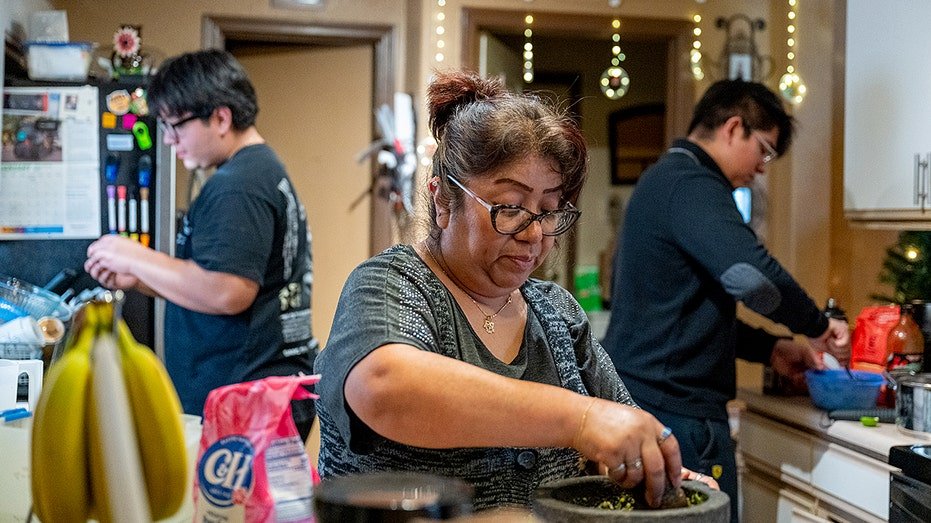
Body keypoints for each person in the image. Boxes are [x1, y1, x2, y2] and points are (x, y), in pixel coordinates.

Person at [313, 70, 716, 511]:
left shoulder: (556, 312)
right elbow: (385, 388)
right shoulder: (391, 284)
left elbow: (617, 436)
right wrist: (579, 419)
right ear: (444, 200)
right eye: (510, 207)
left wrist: (647, 469)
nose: (533, 233)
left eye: (548, 210)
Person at [602, 79, 851, 522]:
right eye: (765, 151)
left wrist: (770, 348)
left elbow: (683, 312)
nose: (762, 169)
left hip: (648, 400)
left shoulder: (663, 179)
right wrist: (817, 326)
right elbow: (751, 278)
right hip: (677, 414)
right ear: (734, 128)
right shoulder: (693, 184)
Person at [84, 49, 318, 438]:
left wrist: (135, 256)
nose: (169, 140)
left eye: (176, 126)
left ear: (221, 118)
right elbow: (209, 282)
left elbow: (228, 291)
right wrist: (139, 279)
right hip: (262, 391)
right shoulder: (259, 170)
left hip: (244, 397)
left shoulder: (239, 185)